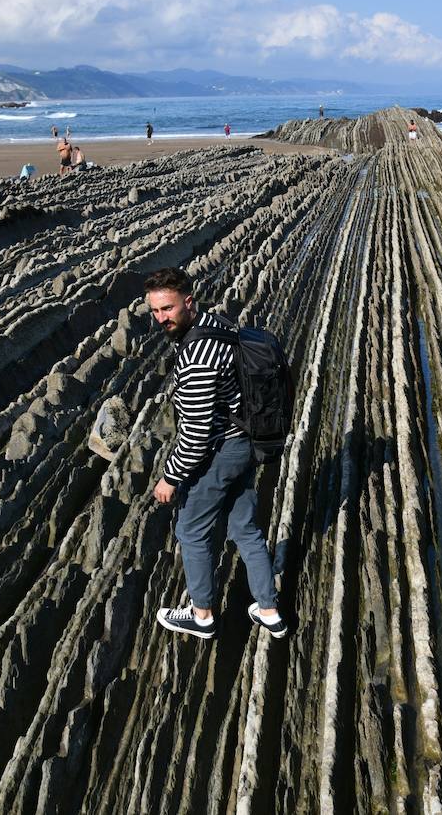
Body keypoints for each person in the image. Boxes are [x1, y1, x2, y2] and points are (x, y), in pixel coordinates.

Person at [144, 268, 285, 640]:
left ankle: (201, 615)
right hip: (246, 439)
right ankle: (268, 609)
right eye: (155, 311)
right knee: (245, 527)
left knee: (190, 529)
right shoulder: (214, 323)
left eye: (168, 308)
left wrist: (170, 478)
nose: (162, 318)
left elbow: (196, 434)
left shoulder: (196, 361)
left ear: (188, 302)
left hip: (223, 451)